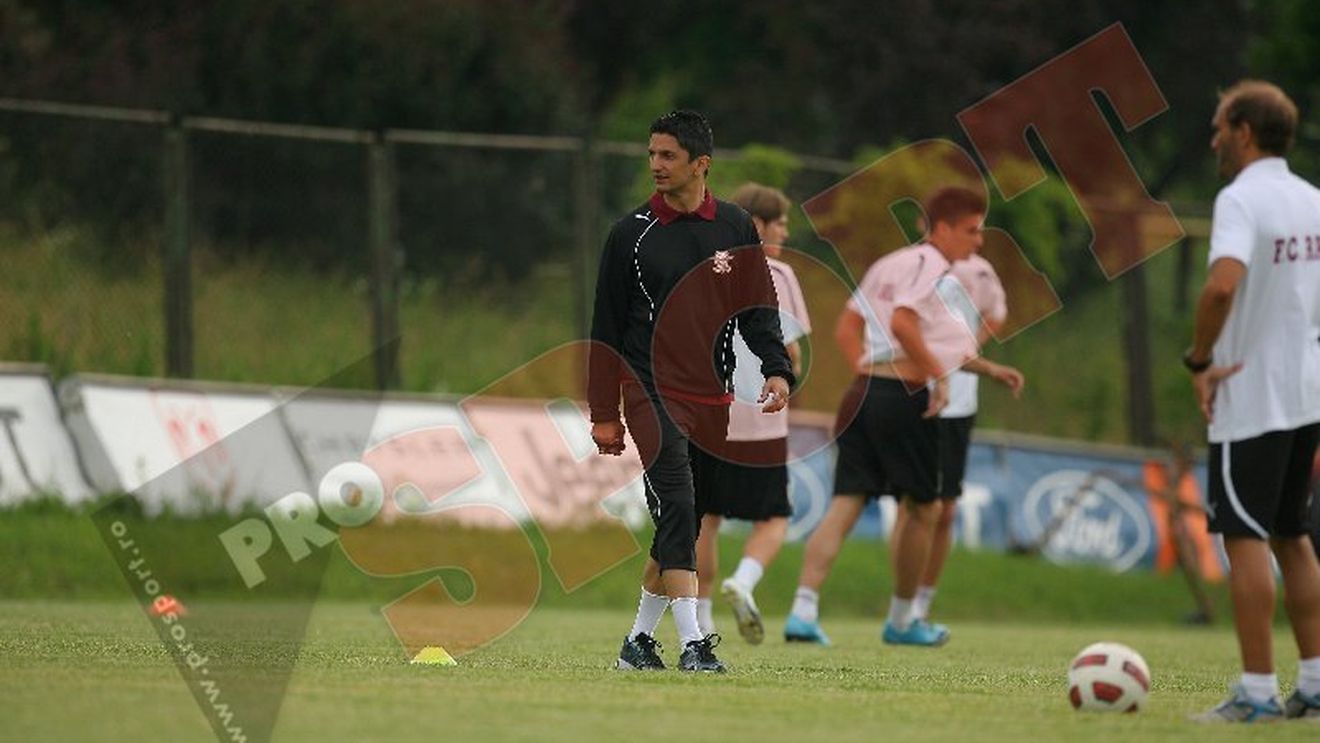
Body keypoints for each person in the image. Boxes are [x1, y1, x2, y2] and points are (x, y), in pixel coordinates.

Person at [589, 110, 795, 673]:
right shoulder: (629, 235)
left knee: (685, 518)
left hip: (713, 399)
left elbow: (759, 308)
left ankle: (637, 642)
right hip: (648, 391)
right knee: (678, 505)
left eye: (668, 156)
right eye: (651, 154)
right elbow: (605, 330)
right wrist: (604, 411)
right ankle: (694, 644)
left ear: (700, 163)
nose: (656, 165)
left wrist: (777, 369)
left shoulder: (734, 226)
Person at [783, 186, 1022, 647]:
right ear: (943, 228)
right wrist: (937, 377)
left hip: (863, 392)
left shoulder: (889, 263)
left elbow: (860, 327)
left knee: (846, 502)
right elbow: (904, 324)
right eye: (972, 231)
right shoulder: (933, 266)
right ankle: (903, 619)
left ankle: (802, 611)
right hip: (902, 396)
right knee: (925, 507)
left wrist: (988, 370)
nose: (978, 241)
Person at [1184, 80, 1320, 722]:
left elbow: (1221, 287)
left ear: (1243, 131)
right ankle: (1315, 686)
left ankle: (1258, 694)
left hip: (1251, 393)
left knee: (1245, 537)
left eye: (1219, 127)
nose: (1213, 139)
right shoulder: (1312, 199)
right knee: (1294, 536)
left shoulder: (1240, 198)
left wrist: (1199, 359)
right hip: (1306, 392)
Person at [694, 183, 812, 644]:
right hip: (762, 418)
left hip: (710, 415)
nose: (785, 232)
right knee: (774, 515)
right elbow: (791, 353)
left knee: (705, 517)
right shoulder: (778, 273)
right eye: (780, 223)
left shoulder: (704, 269)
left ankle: (700, 617)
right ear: (757, 224)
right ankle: (743, 581)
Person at [888, 251, 1022, 624]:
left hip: (958, 404)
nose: (976, 236)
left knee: (945, 510)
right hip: (914, 396)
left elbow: (997, 313)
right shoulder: (911, 266)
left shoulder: (981, 270)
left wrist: (969, 347)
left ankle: (922, 603)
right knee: (910, 506)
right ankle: (899, 600)